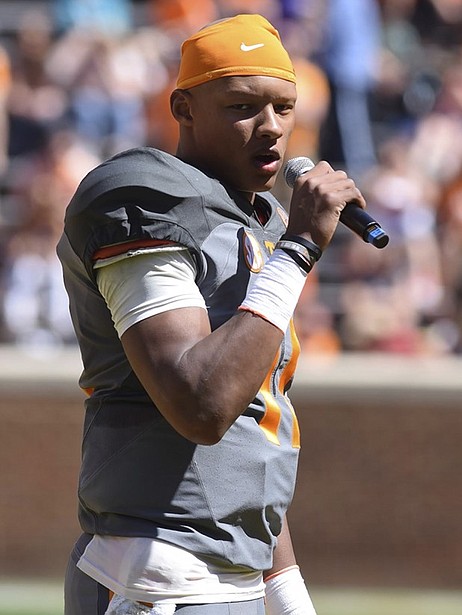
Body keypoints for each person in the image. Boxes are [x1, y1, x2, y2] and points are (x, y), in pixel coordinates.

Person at [57, 13, 366, 614]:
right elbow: (200, 402)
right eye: (242, 106)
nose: (271, 129)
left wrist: (288, 594)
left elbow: (253, 424)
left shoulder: (262, 223)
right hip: (158, 574)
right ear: (183, 107)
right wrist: (299, 250)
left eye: (284, 107)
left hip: (235, 569)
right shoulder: (143, 197)